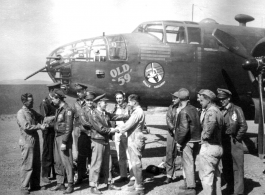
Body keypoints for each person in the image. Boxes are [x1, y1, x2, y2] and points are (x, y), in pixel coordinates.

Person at [89, 94, 127, 194]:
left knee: (108, 164)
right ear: (98, 103)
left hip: (105, 141)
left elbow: (115, 116)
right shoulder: (94, 114)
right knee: (96, 164)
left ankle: (109, 183)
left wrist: (128, 115)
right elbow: (100, 128)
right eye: (104, 102)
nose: (106, 104)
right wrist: (112, 130)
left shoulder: (105, 113)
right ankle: (93, 186)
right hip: (98, 141)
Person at [217, 88, 247, 195]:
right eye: (220, 99)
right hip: (224, 141)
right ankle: (230, 186)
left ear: (229, 98)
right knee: (226, 165)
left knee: (238, 166)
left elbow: (243, 126)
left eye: (224, 99)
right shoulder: (220, 110)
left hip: (234, 141)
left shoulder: (237, 109)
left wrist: (237, 138)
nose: (221, 101)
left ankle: (238, 191)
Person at [17, 93, 48, 195]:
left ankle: (35, 184)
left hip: (34, 139)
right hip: (27, 140)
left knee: (35, 163)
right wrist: (40, 126)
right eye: (30, 102)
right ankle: (24, 186)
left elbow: (41, 117)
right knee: (27, 163)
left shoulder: (31, 111)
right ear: (24, 102)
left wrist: (49, 119)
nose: (32, 103)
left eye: (32, 101)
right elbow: (26, 126)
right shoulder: (21, 113)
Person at [115, 94, 146, 195]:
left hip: (135, 138)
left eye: (129, 102)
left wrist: (117, 129)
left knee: (136, 163)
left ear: (134, 102)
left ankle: (140, 188)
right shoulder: (136, 111)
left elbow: (129, 124)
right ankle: (137, 184)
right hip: (133, 137)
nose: (128, 103)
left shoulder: (137, 112)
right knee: (134, 161)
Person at [175, 88, 201, 195]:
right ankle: (190, 182)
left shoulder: (183, 111)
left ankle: (191, 188)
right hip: (196, 140)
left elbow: (184, 129)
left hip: (188, 141)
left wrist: (179, 142)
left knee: (188, 164)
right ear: (189, 98)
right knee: (192, 163)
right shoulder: (194, 109)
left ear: (179, 99)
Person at [198, 89, 224, 195]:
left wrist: (205, 136)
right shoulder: (218, 110)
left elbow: (211, 125)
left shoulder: (211, 111)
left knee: (206, 176)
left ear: (208, 100)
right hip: (218, 146)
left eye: (201, 100)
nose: (200, 102)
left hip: (209, 146)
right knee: (216, 176)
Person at [50, 89, 74, 194]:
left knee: (67, 162)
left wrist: (64, 142)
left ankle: (70, 184)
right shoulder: (58, 109)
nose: (52, 101)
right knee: (58, 161)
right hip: (57, 136)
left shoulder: (67, 110)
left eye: (53, 99)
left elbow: (69, 127)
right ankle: (60, 183)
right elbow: (58, 123)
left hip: (64, 138)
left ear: (58, 98)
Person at [39, 82, 60, 184]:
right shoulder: (45, 102)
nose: (58, 92)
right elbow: (44, 118)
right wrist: (56, 117)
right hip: (48, 131)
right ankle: (45, 174)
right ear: (51, 91)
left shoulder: (58, 100)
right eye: (56, 90)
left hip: (56, 129)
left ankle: (56, 173)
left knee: (55, 151)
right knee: (47, 151)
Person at [111, 91, 133, 184]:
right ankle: (123, 175)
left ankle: (132, 177)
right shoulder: (115, 107)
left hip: (126, 132)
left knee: (129, 155)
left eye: (120, 98)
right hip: (117, 133)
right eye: (117, 98)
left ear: (124, 98)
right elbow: (113, 120)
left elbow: (130, 118)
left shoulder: (128, 107)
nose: (118, 100)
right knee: (120, 155)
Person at [75, 90, 96, 185]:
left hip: (93, 136)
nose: (90, 102)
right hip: (84, 136)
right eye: (88, 100)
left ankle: (93, 178)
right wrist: (96, 126)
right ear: (85, 101)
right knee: (82, 158)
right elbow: (84, 123)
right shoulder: (82, 110)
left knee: (93, 157)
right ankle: (80, 177)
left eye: (91, 100)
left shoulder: (96, 110)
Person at [72, 83, 88, 184]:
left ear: (84, 91)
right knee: (79, 154)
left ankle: (92, 176)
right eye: (77, 92)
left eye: (80, 91)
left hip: (88, 130)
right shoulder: (75, 104)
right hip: (77, 130)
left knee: (90, 153)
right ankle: (80, 175)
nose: (78, 93)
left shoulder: (90, 102)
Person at [164, 91, 180, 184]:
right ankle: (169, 175)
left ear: (180, 99)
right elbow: (168, 119)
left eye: (175, 98)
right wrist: (173, 129)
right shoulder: (171, 107)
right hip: (171, 133)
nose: (172, 100)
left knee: (185, 155)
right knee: (169, 154)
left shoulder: (185, 108)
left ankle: (188, 178)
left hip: (182, 134)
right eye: (172, 98)